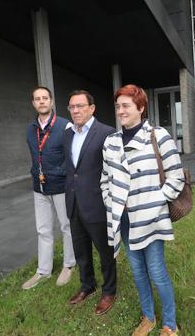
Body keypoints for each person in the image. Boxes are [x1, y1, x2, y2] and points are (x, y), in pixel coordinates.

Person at [101, 84, 184, 336]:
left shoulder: (158, 136)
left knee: (157, 271)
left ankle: (170, 323)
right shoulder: (111, 142)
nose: (120, 111)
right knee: (137, 271)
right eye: (118, 106)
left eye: (126, 105)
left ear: (141, 107)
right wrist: (111, 201)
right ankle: (148, 317)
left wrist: (155, 202)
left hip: (150, 218)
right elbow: (105, 179)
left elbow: (176, 177)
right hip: (124, 220)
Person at [63, 90, 117, 315]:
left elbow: (114, 171)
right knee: (80, 249)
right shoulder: (67, 135)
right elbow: (71, 169)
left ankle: (109, 291)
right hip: (74, 201)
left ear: (92, 108)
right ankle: (87, 284)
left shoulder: (107, 133)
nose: (75, 111)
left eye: (80, 106)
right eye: (72, 107)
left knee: (105, 250)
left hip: (97, 203)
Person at [21, 86, 76, 289]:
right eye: (37, 99)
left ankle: (69, 265)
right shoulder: (30, 129)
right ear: (33, 103)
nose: (42, 101)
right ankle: (43, 271)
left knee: (66, 226)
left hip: (61, 185)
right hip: (40, 186)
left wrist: (61, 173)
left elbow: (71, 156)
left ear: (51, 102)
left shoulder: (65, 126)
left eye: (45, 98)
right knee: (43, 229)